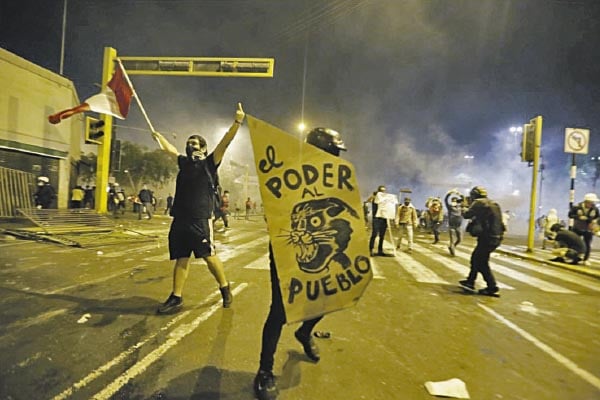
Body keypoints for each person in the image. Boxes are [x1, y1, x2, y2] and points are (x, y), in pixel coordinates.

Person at [254, 127, 346, 400]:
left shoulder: (335, 179)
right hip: (287, 250)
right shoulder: (289, 174)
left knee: (328, 297)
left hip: (321, 251)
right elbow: (273, 212)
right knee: (280, 310)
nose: (338, 157)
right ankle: (264, 371)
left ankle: (305, 332)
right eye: (334, 151)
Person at [152, 103, 245, 314]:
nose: (190, 145)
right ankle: (176, 297)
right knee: (181, 258)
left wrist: (237, 122)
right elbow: (169, 150)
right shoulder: (184, 163)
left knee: (209, 256)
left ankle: (224, 287)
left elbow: (225, 142)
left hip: (200, 219)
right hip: (180, 219)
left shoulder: (210, 163)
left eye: (194, 143)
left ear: (203, 148)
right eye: (188, 143)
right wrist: (159, 137)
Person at [459, 186, 505, 296]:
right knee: (476, 258)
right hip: (496, 236)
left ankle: (491, 286)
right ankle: (470, 281)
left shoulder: (479, 202)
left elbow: (466, 215)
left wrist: (464, 206)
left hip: (487, 237)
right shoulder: (493, 203)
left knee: (481, 262)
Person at [568, 193, 599, 266]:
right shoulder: (577, 207)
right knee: (575, 243)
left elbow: (597, 217)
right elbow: (570, 215)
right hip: (577, 228)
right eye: (590, 202)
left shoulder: (595, 209)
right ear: (586, 201)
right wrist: (578, 217)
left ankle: (586, 259)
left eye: (593, 202)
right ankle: (575, 258)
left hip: (588, 229)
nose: (592, 204)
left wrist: (594, 221)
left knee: (587, 244)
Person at [368, 185, 389, 256]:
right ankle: (370, 249)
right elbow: (368, 201)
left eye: (384, 191)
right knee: (374, 234)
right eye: (381, 191)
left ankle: (380, 250)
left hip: (383, 218)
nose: (382, 192)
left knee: (382, 236)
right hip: (376, 218)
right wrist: (374, 195)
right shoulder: (374, 197)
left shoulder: (386, 199)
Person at [444, 189, 464, 256]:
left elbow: (464, 200)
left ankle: (452, 247)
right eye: (453, 201)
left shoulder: (460, 207)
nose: (454, 202)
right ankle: (452, 251)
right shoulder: (449, 207)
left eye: (455, 201)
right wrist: (450, 193)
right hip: (451, 226)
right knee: (452, 240)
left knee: (459, 240)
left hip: (458, 226)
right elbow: (445, 200)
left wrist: (458, 194)